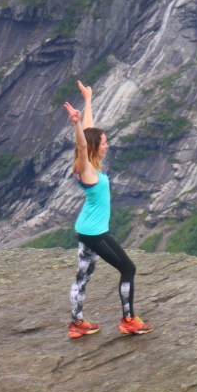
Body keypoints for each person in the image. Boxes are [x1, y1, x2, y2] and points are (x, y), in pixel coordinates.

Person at [64, 80, 153, 338]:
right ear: (95, 147)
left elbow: (90, 133)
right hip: (94, 232)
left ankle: (76, 324)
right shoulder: (87, 167)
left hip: (86, 229)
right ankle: (128, 320)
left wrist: (88, 100)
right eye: (104, 142)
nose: (107, 144)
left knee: (83, 276)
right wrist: (76, 124)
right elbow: (83, 143)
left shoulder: (91, 162)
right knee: (128, 268)